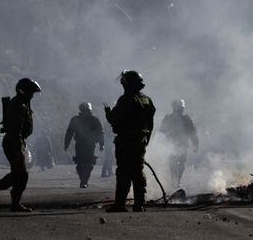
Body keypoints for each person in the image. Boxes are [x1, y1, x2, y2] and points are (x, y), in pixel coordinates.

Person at [0, 78, 41, 212]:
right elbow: (15, 129)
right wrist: (18, 147)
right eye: (30, 92)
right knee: (22, 174)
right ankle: (14, 203)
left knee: (17, 173)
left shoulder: (22, 103)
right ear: (23, 91)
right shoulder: (18, 105)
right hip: (14, 142)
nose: (32, 95)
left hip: (16, 141)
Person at [104, 70, 156, 212]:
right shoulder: (147, 100)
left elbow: (115, 119)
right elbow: (150, 124)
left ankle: (120, 204)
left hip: (126, 141)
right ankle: (139, 204)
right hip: (140, 141)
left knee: (124, 172)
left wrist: (108, 114)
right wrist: (146, 139)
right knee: (137, 171)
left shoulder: (125, 100)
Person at [160, 99, 199, 188]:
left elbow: (192, 133)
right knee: (173, 163)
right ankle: (174, 182)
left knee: (180, 163)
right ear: (174, 108)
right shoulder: (168, 118)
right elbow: (161, 132)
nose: (180, 110)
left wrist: (196, 144)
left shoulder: (186, 119)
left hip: (182, 145)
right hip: (171, 145)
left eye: (181, 108)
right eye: (178, 108)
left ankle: (177, 182)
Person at [65, 102, 104, 188]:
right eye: (84, 111)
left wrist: (102, 144)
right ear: (81, 111)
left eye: (87, 111)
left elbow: (100, 132)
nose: (85, 113)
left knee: (89, 164)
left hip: (90, 145)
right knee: (80, 163)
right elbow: (69, 132)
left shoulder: (94, 120)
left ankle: (84, 181)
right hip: (79, 144)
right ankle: (83, 180)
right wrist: (66, 143)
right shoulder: (75, 120)